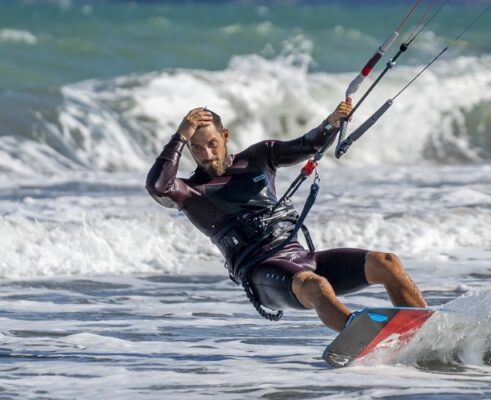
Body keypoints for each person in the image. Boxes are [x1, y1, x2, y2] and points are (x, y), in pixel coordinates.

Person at [145, 103, 427, 332]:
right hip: (260, 272)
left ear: (225, 136)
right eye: (196, 147)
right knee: (317, 286)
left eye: (212, 144)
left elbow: (307, 144)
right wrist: (180, 136)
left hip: (301, 257)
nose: (207, 154)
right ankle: (360, 339)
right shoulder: (190, 192)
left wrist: (331, 122)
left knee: (385, 262)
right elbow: (158, 186)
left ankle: (423, 328)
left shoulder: (259, 157)